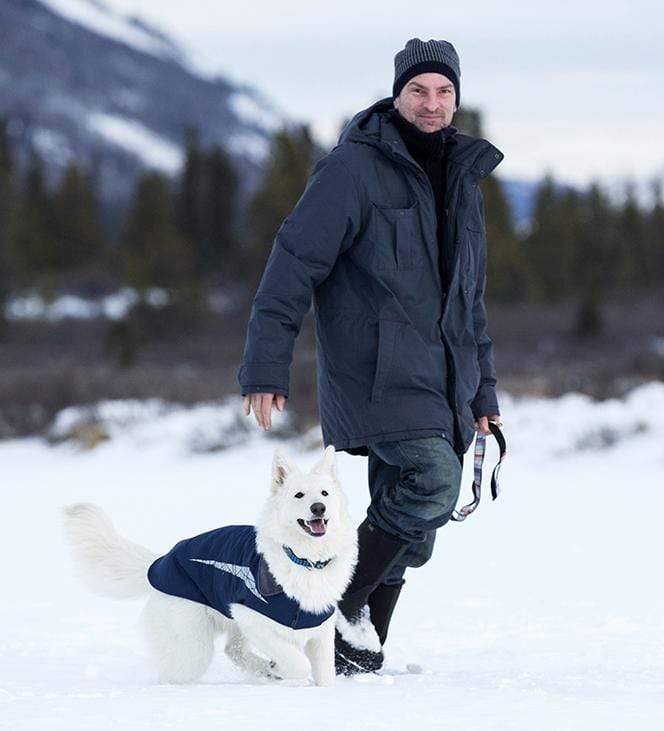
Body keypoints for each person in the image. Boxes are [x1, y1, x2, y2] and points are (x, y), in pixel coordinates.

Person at [238, 37, 503, 675]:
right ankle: (333, 605)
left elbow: (469, 303)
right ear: (397, 95)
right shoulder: (352, 170)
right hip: (376, 374)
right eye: (418, 90)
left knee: (415, 534)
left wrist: (482, 393)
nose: (432, 103)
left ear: (457, 99)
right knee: (431, 482)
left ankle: (352, 655)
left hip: (441, 381)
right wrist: (266, 366)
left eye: (444, 92)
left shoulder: (461, 180)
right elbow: (292, 266)